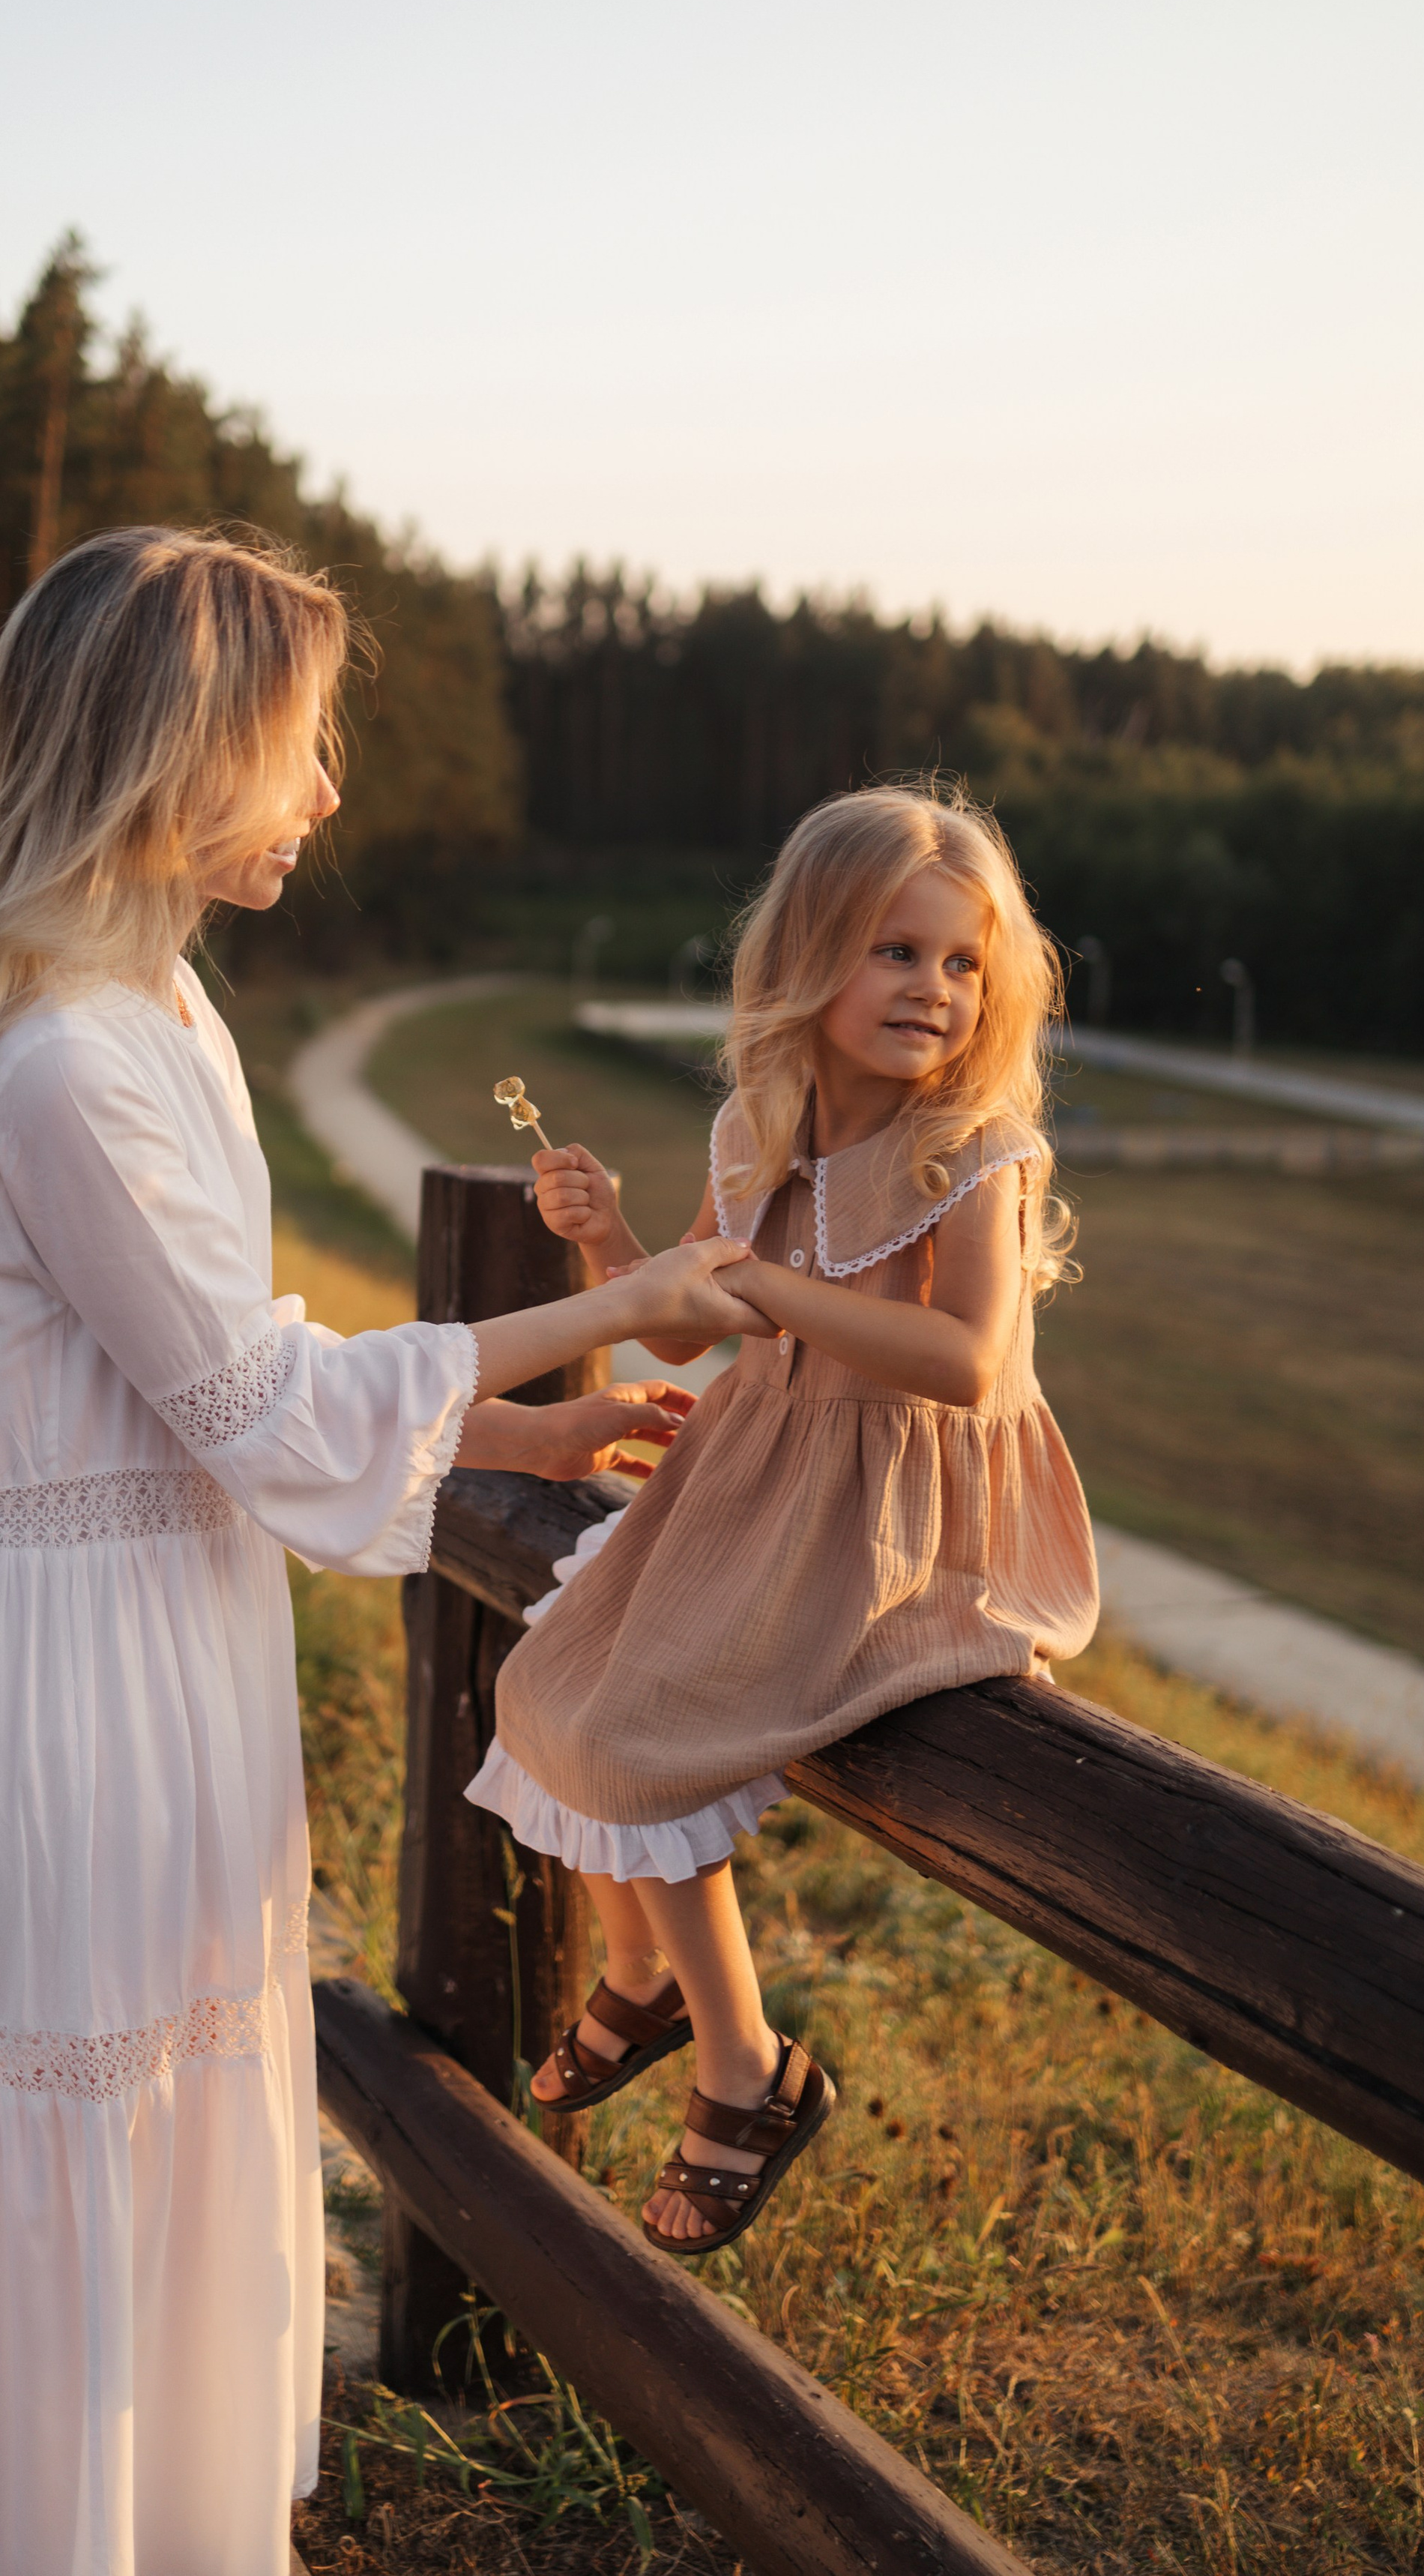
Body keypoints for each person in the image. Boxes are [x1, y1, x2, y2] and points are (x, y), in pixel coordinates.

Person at [0, 526, 767, 2576]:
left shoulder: (150, 1007)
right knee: (66, 2133)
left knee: (135, 2135)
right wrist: (624, 1298)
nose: (327, 794)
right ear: (175, 754)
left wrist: (530, 1425)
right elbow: (252, 1411)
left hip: (135, 1639)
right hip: (62, 1692)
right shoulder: (64, 1061)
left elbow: (221, 1368)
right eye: (301, 747)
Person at [467, 783, 1099, 2257]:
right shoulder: (761, 1128)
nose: (931, 992)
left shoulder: (974, 1158)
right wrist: (609, 1238)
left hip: (905, 1512)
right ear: (809, 959)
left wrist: (770, 1296)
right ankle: (638, 1973)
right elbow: (685, 1331)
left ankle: (745, 2068)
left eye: (959, 964)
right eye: (894, 953)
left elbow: (966, 1363)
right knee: (542, 1684)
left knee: (646, 1737)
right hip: (769, 1471)